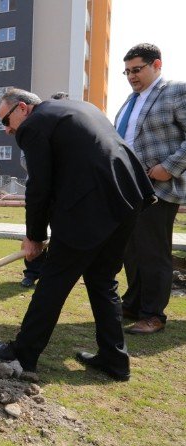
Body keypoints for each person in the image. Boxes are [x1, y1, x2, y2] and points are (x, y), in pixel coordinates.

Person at [0, 88, 155, 381]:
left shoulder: (35, 125)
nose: (7, 130)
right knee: (103, 280)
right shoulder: (78, 108)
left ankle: (24, 353)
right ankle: (115, 360)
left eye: (6, 120)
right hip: (127, 197)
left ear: (23, 108)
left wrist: (35, 236)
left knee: (53, 280)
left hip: (90, 206)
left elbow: (39, 186)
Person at [115, 43, 186, 335]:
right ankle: (133, 304)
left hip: (158, 186)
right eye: (127, 71)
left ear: (156, 65)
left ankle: (153, 315)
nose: (131, 76)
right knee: (131, 250)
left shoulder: (175, 91)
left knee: (153, 251)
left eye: (137, 69)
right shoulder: (130, 102)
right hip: (129, 187)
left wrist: (169, 166)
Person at [18, 91, 67, 287]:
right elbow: (25, 159)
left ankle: (51, 275)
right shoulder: (36, 129)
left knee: (60, 236)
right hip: (39, 193)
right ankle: (32, 272)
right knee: (34, 232)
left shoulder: (68, 133)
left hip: (62, 196)